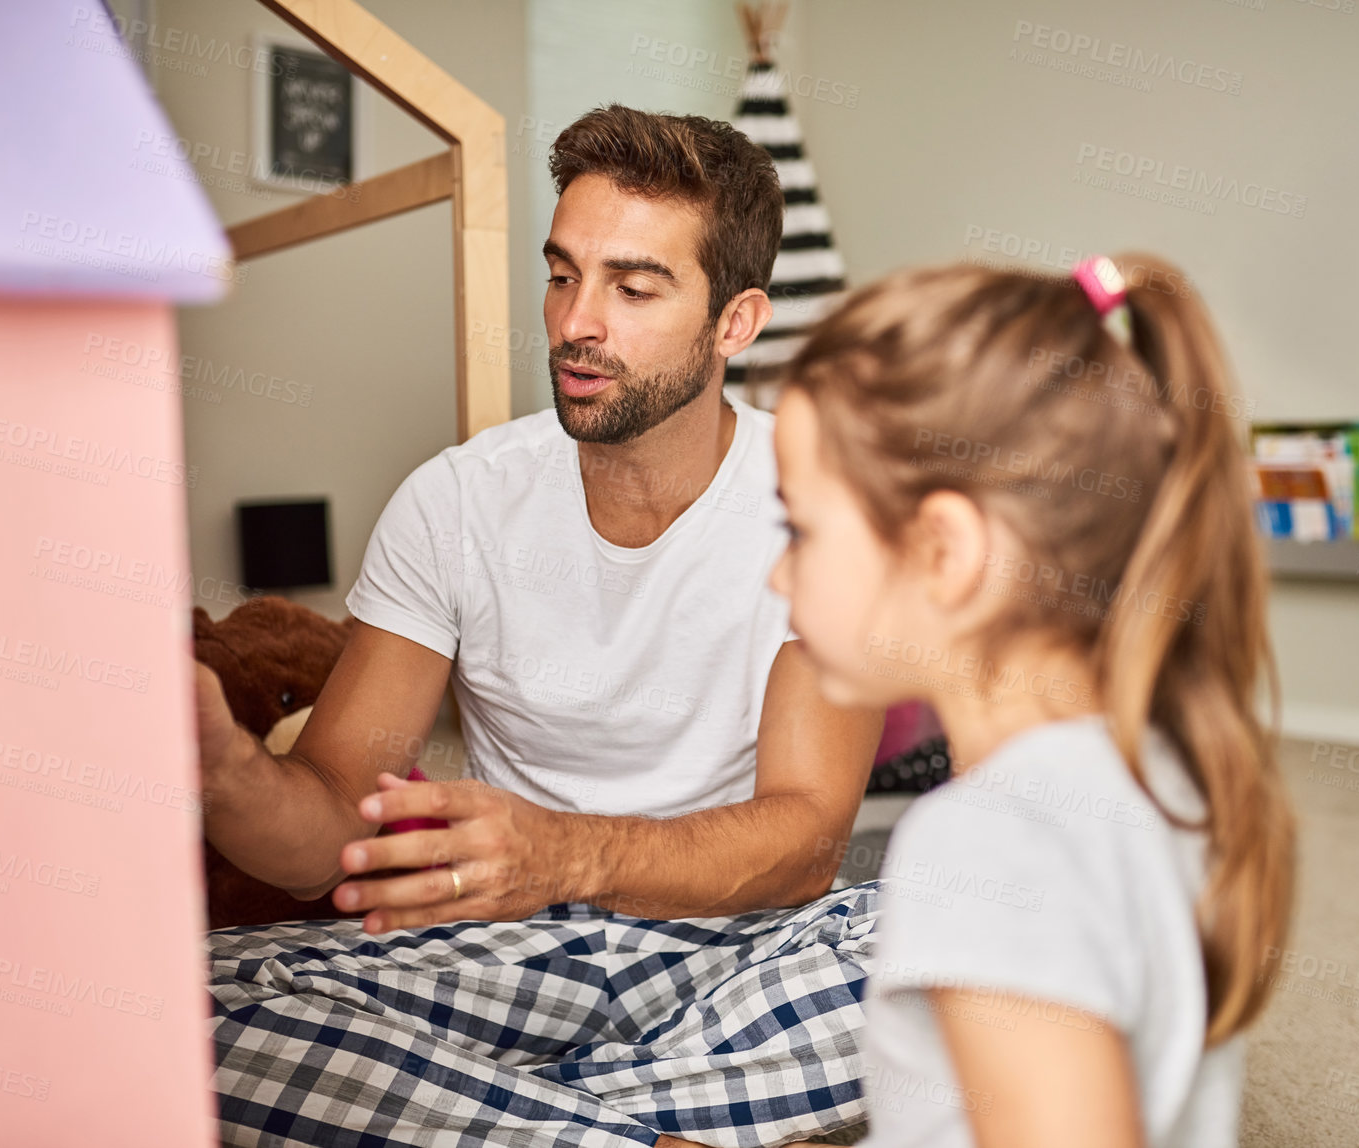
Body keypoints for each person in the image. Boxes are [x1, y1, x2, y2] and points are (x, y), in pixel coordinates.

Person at [197, 104, 887, 1147]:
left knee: (957, 931)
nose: (574, 323)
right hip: (504, 948)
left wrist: (567, 852)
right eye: (563, 274)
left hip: (737, 944)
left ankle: (495, 1110)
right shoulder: (455, 502)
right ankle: (649, 1122)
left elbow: (803, 840)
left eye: (633, 286)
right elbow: (335, 823)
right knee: (188, 999)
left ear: (734, 322)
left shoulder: (820, 501)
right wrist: (228, 774)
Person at [768, 252, 1296, 1147]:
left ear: (944, 552)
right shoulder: (1156, 767)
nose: (779, 574)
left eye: (800, 528)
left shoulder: (989, 839)